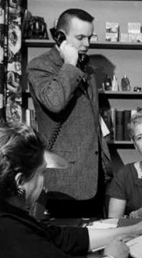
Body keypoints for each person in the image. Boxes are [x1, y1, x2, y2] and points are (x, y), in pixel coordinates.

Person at [0, 121, 142, 258]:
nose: (45, 183)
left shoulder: (12, 216)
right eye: (42, 172)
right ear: (19, 181)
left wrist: (134, 230)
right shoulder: (12, 232)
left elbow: (63, 238)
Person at [27, 9, 111, 218]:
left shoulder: (86, 69)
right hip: (63, 181)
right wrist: (69, 64)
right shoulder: (40, 66)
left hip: (94, 177)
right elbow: (54, 103)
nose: (87, 44)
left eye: (89, 37)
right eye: (80, 37)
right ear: (60, 37)